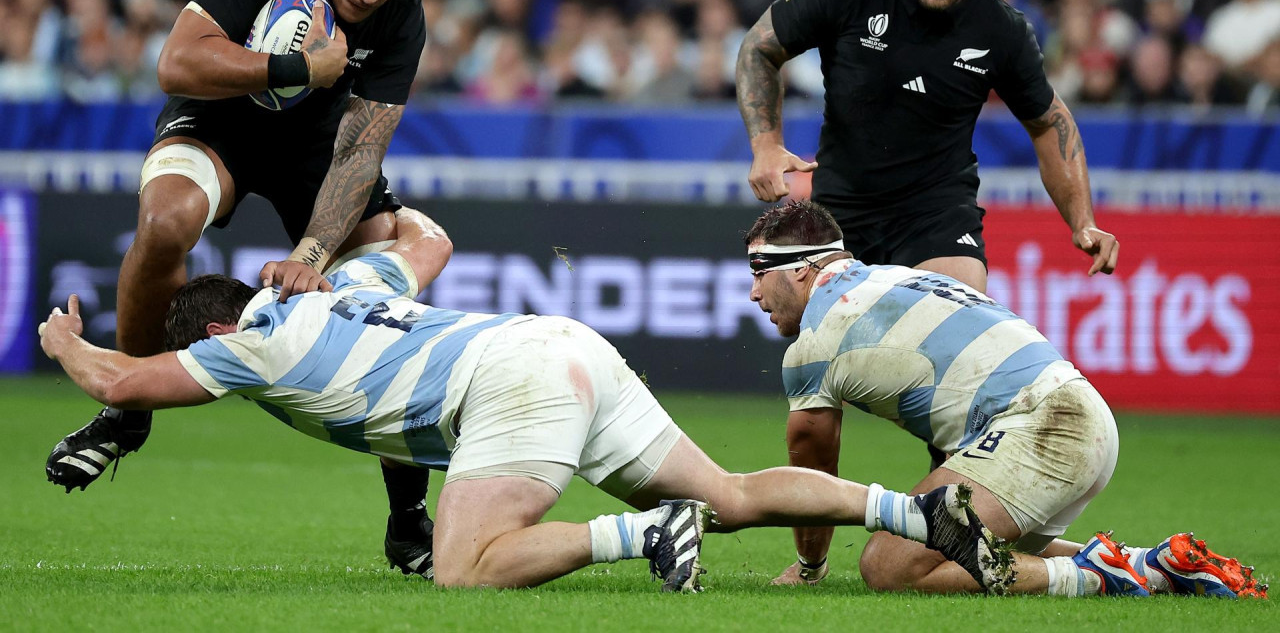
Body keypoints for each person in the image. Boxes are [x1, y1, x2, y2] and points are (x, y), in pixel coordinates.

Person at [39, 206, 1007, 592]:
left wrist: (63, 341)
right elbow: (426, 232)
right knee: (736, 493)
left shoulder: (246, 340)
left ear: (210, 334)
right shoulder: (343, 286)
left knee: (463, 567)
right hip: (558, 343)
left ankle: (643, 534)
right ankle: (914, 508)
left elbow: (120, 378)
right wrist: (323, 245)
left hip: (507, 383)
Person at [44, 0, 438, 578]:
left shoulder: (403, 16)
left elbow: (362, 149)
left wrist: (312, 253)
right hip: (220, 117)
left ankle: (408, 518)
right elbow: (176, 63)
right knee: (166, 221)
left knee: (384, 290)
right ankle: (128, 412)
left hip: (318, 148)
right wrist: (296, 69)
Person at [744, 200, 1266, 600]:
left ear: (801, 269)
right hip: (1078, 408)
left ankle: (1095, 577)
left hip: (1042, 426)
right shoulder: (898, 276)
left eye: (759, 270)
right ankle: (1158, 565)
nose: (752, 293)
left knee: (890, 566)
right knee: (968, 548)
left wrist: (810, 567)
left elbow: (813, 465)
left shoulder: (815, 342)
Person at [735, 0, 1119, 298]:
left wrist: (1082, 221)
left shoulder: (1002, 30)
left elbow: (1049, 123)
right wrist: (766, 144)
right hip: (841, 213)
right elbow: (759, 48)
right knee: (815, 340)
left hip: (938, 215)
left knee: (954, 312)